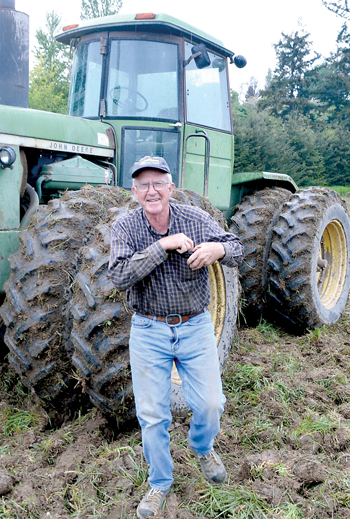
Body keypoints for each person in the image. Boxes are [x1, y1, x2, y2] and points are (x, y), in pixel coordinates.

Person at [108, 156, 242, 519]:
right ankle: (160, 483)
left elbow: (237, 247)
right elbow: (119, 276)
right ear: (134, 192)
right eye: (143, 185)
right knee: (152, 414)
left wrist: (218, 249)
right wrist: (163, 246)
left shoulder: (196, 219)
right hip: (149, 328)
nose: (151, 191)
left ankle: (201, 446)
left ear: (170, 187)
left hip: (195, 325)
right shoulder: (126, 227)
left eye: (158, 184)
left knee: (212, 404)